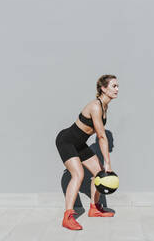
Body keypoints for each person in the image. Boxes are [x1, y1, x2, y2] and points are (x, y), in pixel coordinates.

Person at [55, 75, 119, 230]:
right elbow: (101, 136)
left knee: (99, 174)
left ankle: (94, 208)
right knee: (78, 174)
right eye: (114, 86)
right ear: (103, 89)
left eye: (117, 86)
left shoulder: (105, 107)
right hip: (66, 141)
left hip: (79, 144)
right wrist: (108, 163)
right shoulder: (96, 106)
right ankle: (68, 216)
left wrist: (104, 167)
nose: (117, 89)